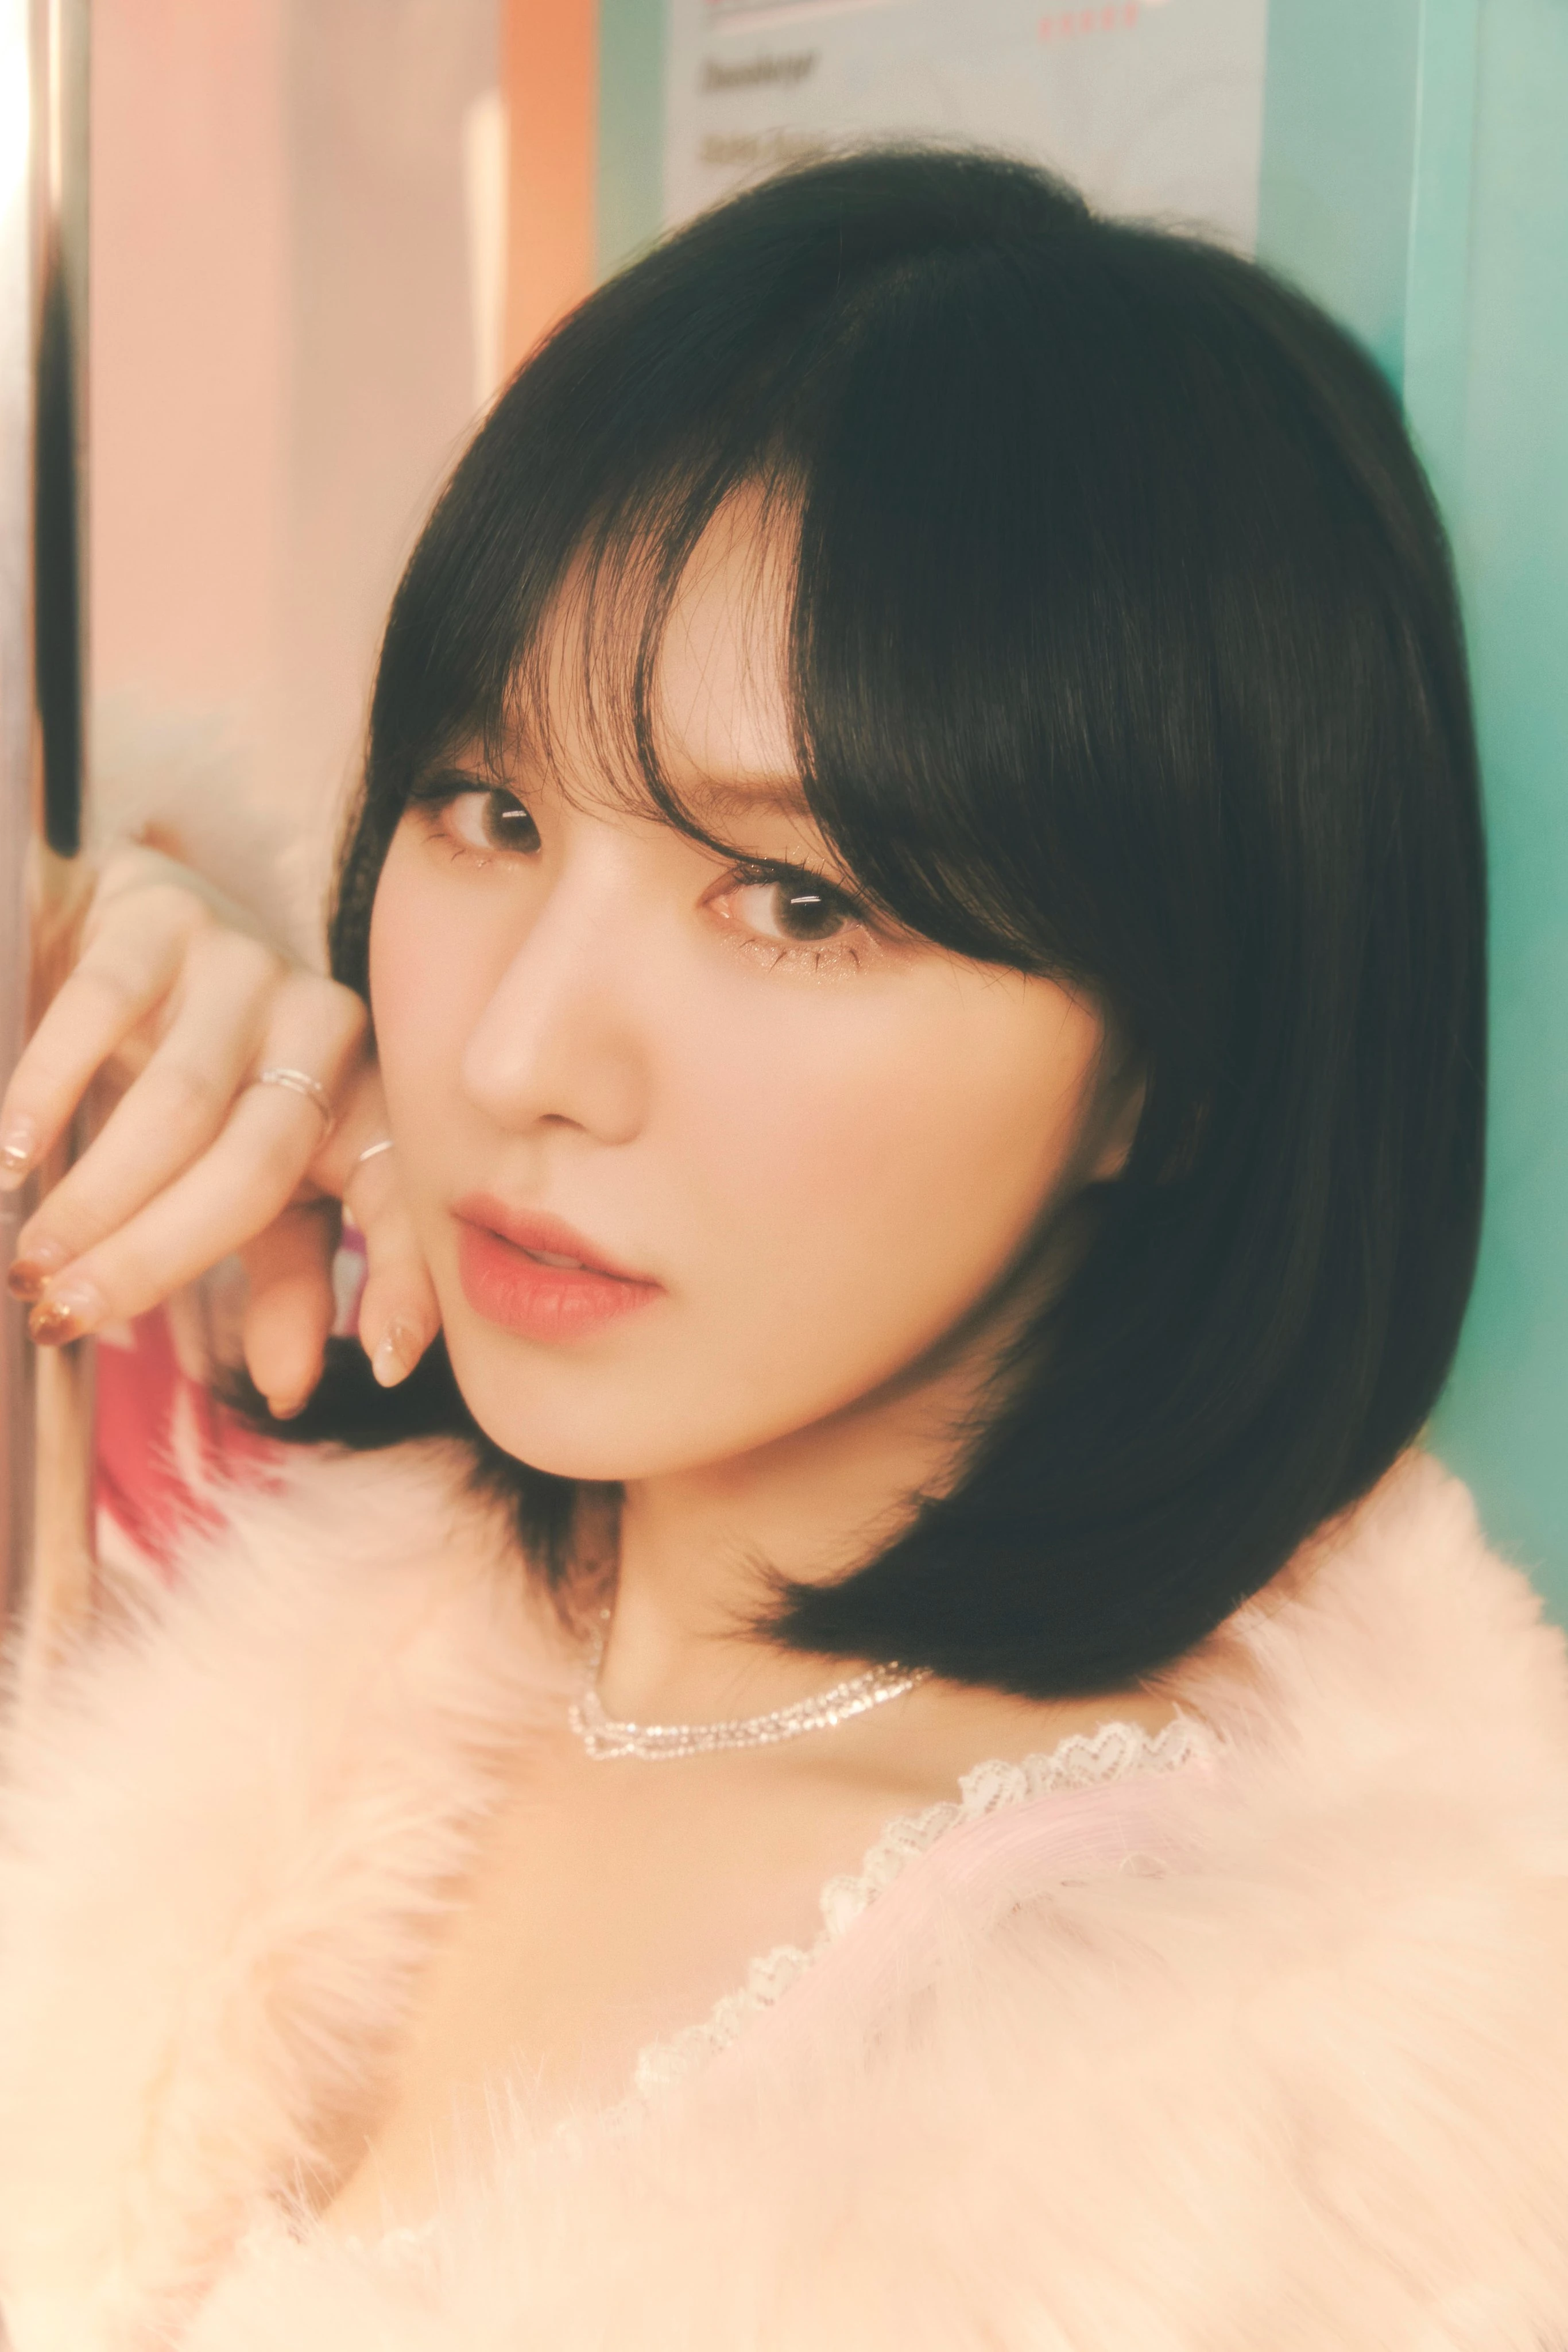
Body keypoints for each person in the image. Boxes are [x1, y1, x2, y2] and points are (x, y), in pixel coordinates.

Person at [1, 145, 1566, 2350]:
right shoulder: (251, 1539)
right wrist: (79, 961)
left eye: (801, 905)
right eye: (489, 811)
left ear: (1175, 1067)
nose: (523, 1055)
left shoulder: (1293, 2115)